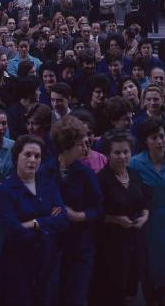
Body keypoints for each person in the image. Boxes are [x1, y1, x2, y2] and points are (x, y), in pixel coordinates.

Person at [0, 134, 68, 306]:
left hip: (48, 262)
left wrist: (35, 223)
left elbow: (63, 220)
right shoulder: (5, 190)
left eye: (37, 156)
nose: (32, 160)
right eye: (27, 155)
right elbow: (13, 231)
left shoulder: (48, 184)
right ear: (16, 157)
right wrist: (48, 221)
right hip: (18, 266)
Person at [130, 120, 165, 306]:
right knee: (150, 269)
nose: (160, 141)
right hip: (148, 221)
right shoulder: (135, 163)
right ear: (146, 141)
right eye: (154, 137)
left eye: (162, 136)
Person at [49, 115, 103, 306]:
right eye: (80, 144)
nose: (85, 147)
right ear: (66, 146)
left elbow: (98, 208)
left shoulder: (86, 173)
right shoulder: (46, 170)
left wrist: (79, 216)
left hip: (80, 247)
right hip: (53, 247)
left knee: (76, 298)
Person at [91, 130, 149, 306]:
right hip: (110, 245)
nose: (122, 156)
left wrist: (145, 216)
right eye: (117, 152)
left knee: (131, 289)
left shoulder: (134, 174)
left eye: (126, 152)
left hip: (133, 240)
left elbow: (143, 201)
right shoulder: (100, 179)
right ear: (108, 154)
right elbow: (95, 213)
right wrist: (116, 220)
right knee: (112, 292)